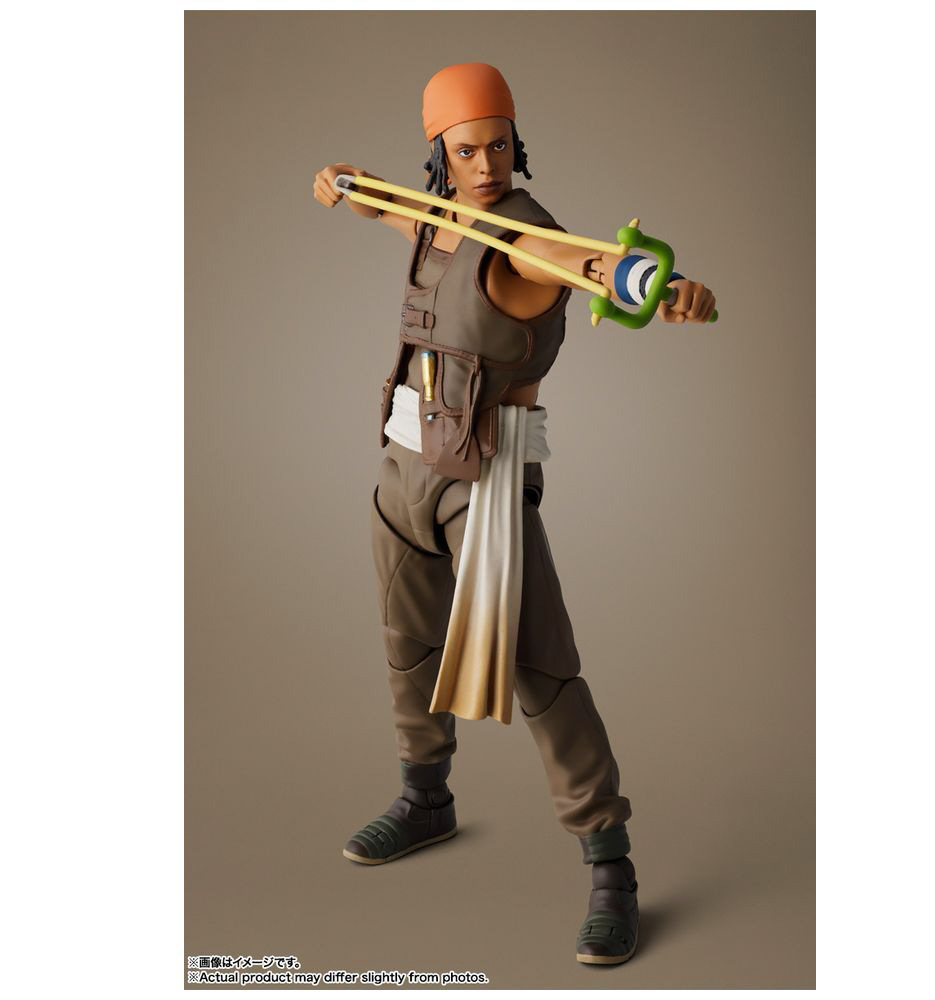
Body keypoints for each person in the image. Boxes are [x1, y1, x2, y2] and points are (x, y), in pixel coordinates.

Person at [312, 63, 717, 966]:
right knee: (406, 643)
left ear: (515, 143)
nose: (488, 165)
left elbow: (590, 265)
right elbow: (388, 206)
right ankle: (426, 799)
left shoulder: (525, 238)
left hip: (484, 480)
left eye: (499, 146)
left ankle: (610, 864)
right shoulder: (437, 216)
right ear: (441, 154)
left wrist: (659, 284)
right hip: (404, 463)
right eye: (467, 150)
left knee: (541, 668)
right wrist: (344, 184)